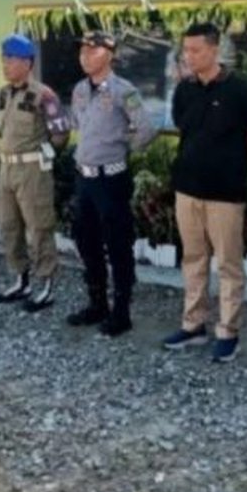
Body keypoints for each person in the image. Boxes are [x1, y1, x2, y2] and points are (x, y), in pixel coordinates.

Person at [162, 22, 247, 363]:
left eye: (195, 50)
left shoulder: (240, 89)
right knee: (193, 258)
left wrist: (236, 160)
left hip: (225, 192)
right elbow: (184, 128)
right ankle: (193, 325)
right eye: (186, 51)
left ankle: (228, 330)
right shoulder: (185, 90)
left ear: (214, 49)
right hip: (188, 189)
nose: (189, 57)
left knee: (228, 263)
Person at [66, 30, 157, 337]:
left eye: (92, 51)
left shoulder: (123, 90)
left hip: (111, 178)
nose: (84, 56)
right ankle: (97, 303)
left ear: (108, 53)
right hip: (85, 179)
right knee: (87, 242)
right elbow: (80, 125)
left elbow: (145, 130)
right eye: (82, 51)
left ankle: (121, 311)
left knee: (118, 245)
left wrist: (120, 144)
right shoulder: (79, 89)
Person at [0, 33, 70, 312]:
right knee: (9, 225)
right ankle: (20, 279)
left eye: (12, 59)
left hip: (32, 168)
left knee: (39, 226)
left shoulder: (43, 95)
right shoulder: (4, 93)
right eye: (5, 58)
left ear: (28, 62)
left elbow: (60, 133)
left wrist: (45, 155)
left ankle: (45, 283)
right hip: (7, 167)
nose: (7, 64)